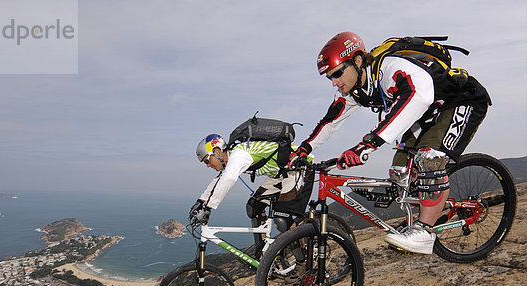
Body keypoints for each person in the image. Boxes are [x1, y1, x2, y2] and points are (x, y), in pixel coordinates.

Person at [289, 32, 491, 254]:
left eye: (337, 73)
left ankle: (425, 232)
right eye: (329, 77)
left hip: (461, 100)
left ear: (357, 61)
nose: (334, 82)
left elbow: (420, 95)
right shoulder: (355, 90)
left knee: (429, 159)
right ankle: (422, 217)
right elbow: (329, 122)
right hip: (425, 113)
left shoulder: (391, 67)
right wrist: (302, 150)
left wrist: (367, 145)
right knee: (400, 171)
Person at [189, 134, 313, 253]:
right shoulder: (231, 158)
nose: (208, 165)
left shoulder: (239, 155)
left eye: (207, 161)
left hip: (300, 166)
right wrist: (201, 202)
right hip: (281, 174)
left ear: (216, 152)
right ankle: (264, 252)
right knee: (254, 208)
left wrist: (208, 207)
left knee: (282, 220)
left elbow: (229, 179)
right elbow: (220, 179)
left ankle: (302, 258)